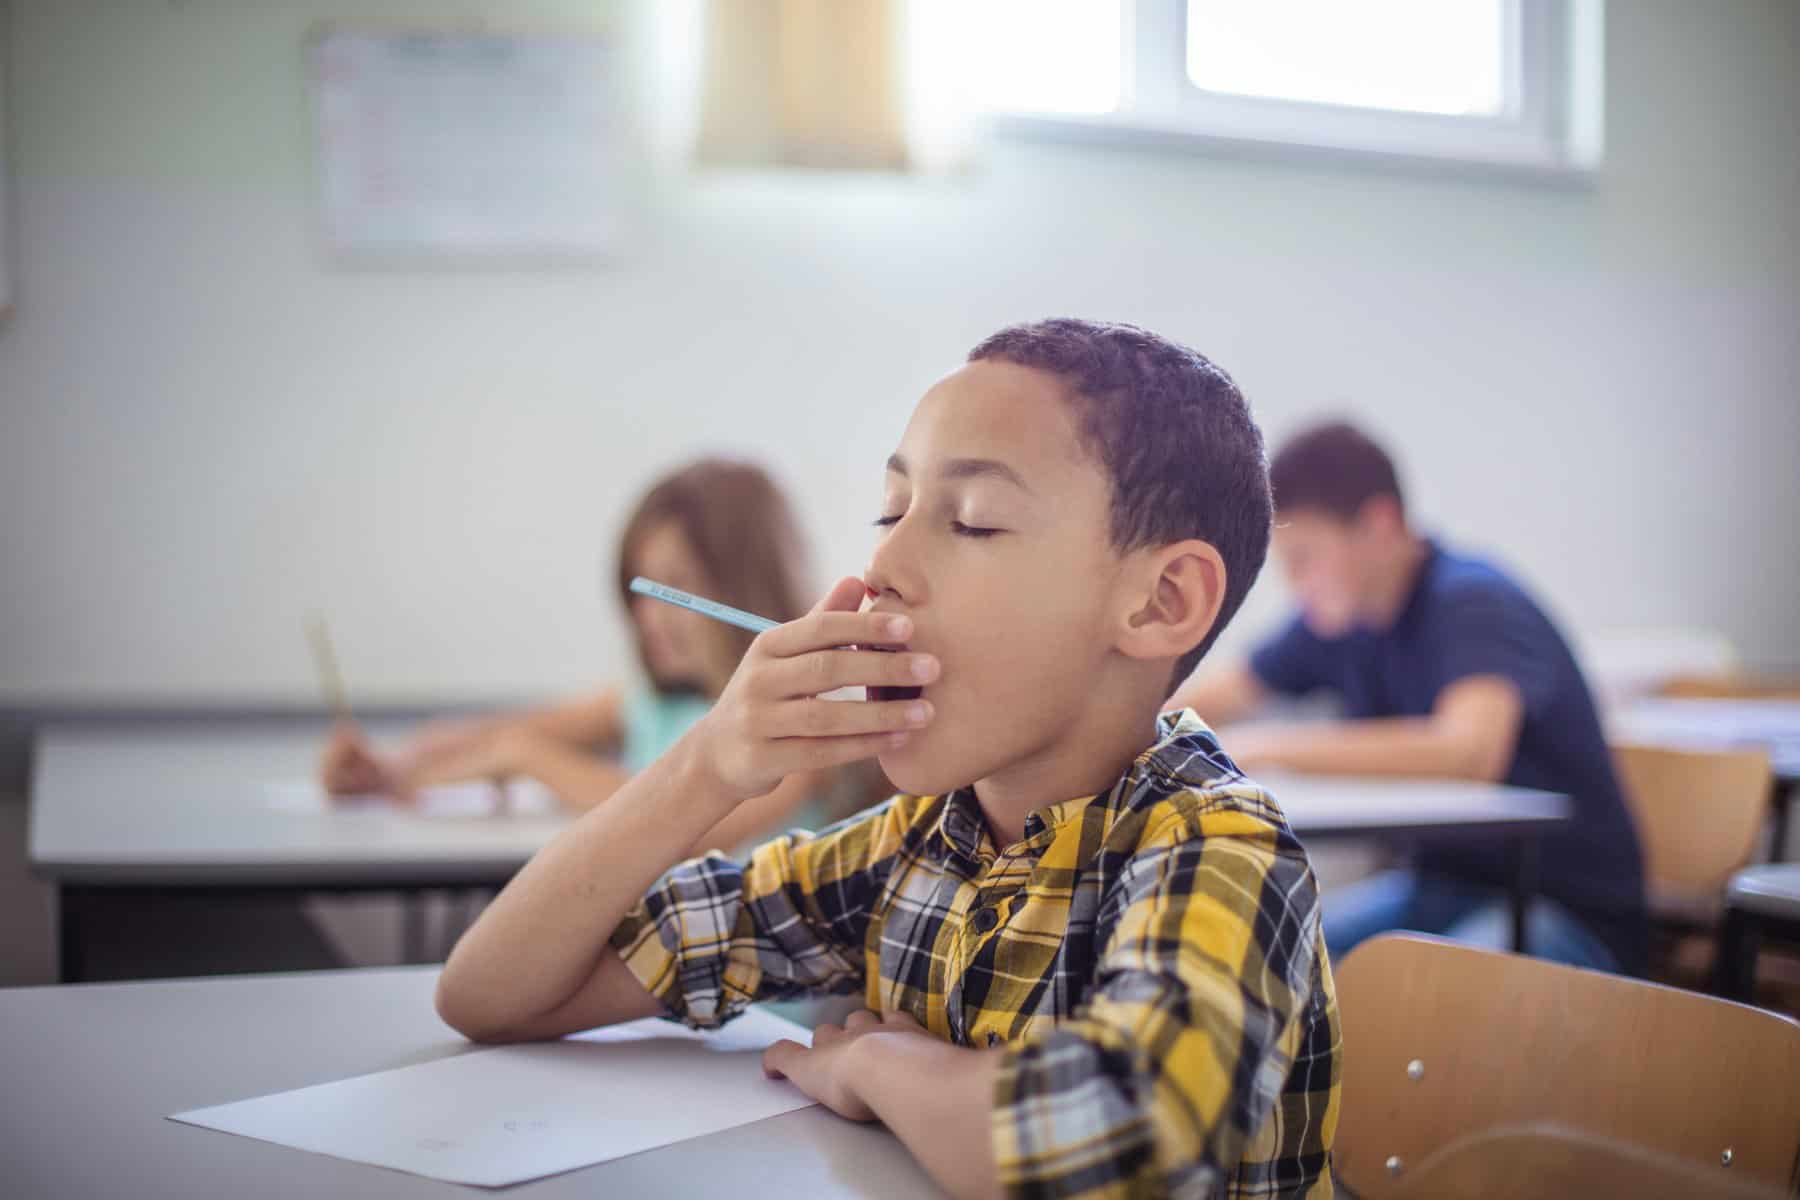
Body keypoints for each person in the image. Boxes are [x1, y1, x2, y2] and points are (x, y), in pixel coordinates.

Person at [435, 320, 1340, 1199]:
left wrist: (881, 1065)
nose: (882, 568)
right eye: (890, 510)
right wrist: (706, 764)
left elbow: (1120, 1146)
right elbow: (490, 992)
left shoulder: (1220, 850)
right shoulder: (912, 848)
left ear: (1159, 603)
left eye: (974, 521)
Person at [1170, 420, 1647, 976]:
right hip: (1444, 887)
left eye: (1305, 558)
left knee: (1407, 999)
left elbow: (1468, 752)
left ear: (1378, 525)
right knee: (1254, 956)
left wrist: (1270, 747)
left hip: (1564, 903)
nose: (1296, 584)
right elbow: (1216, 693)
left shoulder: (1473, 599)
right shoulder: (1337, 619)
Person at [320, 457, 832, 854]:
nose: (648, 617)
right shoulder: (648, 705)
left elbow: (686, 830)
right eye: (643, 591)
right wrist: (388, 767)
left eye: (677, 586)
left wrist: (526, 758)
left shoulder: (805, 721)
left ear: (743, 584)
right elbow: (499, 735)